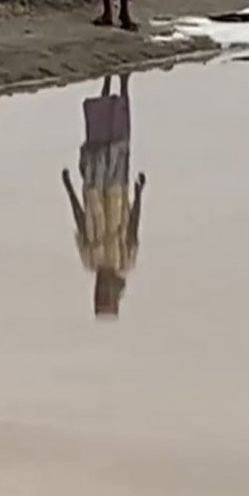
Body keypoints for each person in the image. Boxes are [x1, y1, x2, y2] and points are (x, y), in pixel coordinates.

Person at [62, 74, 146, 319]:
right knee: (119, 140)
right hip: (117, 189)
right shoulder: (124, 262)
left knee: (98, 139)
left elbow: (80, 221)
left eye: (102, 295)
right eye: (107, 295)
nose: (104, 289)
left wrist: (69, 187)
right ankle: (119, 84)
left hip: (94, 190)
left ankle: (114, 83)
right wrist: (138, 195)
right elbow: (132, 227)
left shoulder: (90, 260)